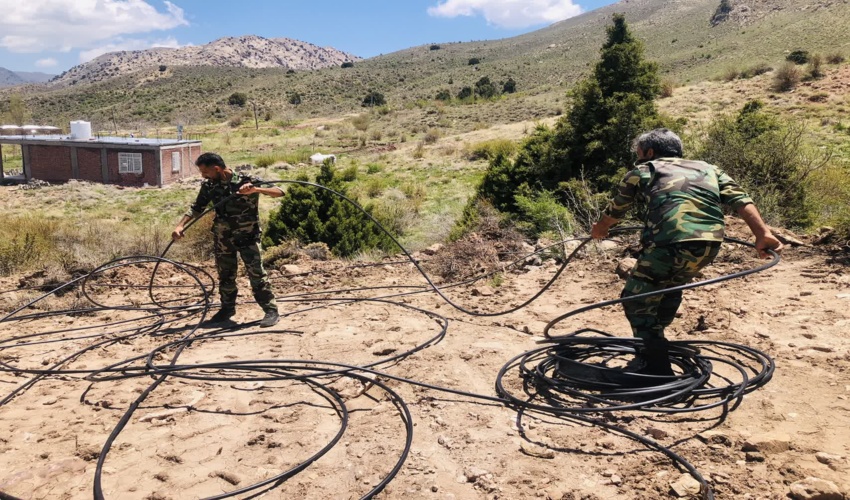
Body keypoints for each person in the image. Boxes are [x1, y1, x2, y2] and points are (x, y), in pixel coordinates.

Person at [590, 128, 783, 375]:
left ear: (649, 152)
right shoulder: (709, 169)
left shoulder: (644, 170)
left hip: (669, 243)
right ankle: (656, 343)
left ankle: (656, 367)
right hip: (709, 245)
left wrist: (600, 229)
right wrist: (761, 234)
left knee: (635, 298)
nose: (638, 158)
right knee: (670, 287)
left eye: (639, 153)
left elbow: (618, 208)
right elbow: (741, 200)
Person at [172, 153, 284, 327]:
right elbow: (197, 207)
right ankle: (227, 309)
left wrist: (256, 189)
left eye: (205, 171)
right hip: (223, 238)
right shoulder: (209, 186)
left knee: (257, 274)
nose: (203, 175)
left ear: (216, 168)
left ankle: (270, 310)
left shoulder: (247, 180)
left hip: (248, 236)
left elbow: (279, 192)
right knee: (226, 275)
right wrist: (180, 226)